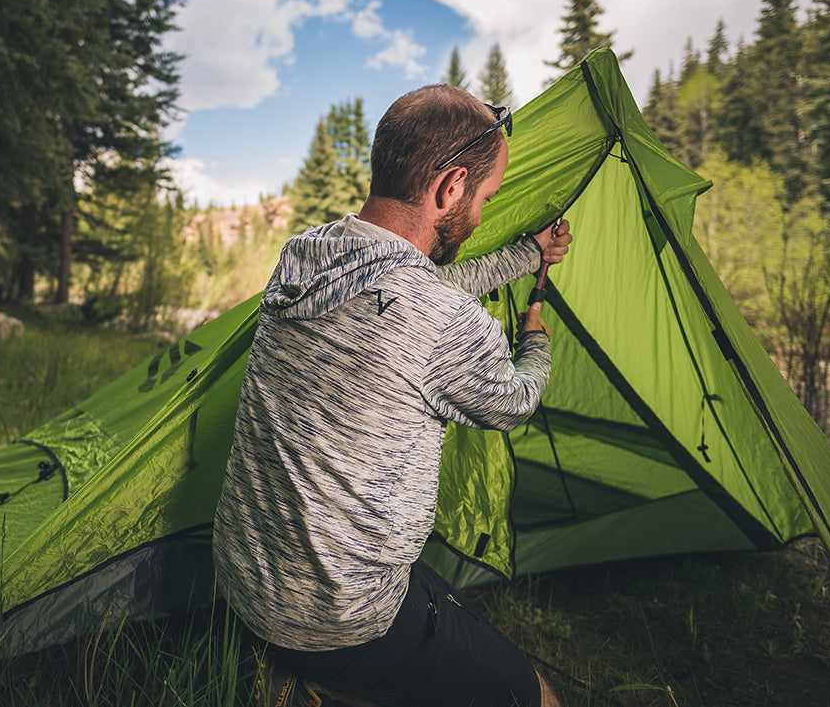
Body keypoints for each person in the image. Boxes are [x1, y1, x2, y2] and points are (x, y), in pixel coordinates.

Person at [212, 83, 572, 707]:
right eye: (486, 197)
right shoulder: (444, 321)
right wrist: (535, 340)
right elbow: (514, 400)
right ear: (451, 187)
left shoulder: (306, 256)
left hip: (246, 579)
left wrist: (527, 255)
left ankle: (298, 678)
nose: (484, 214)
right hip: (338, 617)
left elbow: (416, 287)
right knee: (534, 696)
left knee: (442, 604)